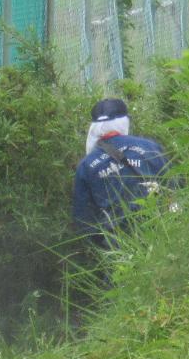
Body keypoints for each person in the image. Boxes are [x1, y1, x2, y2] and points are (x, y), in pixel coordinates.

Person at [71, 97, 172, 250]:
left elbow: (84, 221)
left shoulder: (86, 166)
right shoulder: (151, 147)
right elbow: (176, 187)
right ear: (125, 121)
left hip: (119, 252)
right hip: (163, 239)